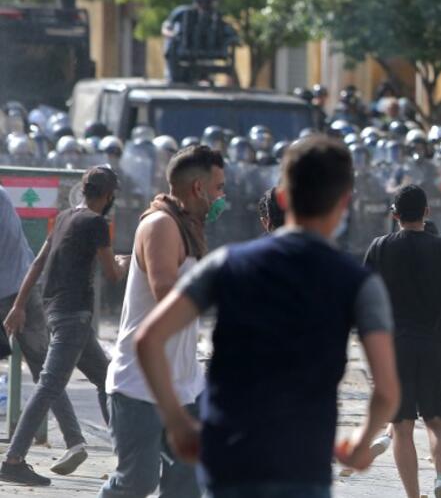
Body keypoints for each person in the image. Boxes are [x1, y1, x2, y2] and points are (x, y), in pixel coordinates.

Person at [133, 137, 399, 497]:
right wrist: (361, 443)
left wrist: (178, 425)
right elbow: (386, 391)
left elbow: (148, 339)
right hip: (303, 467)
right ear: (345, 203)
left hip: (228, 461)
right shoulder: (359, 283)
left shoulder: (226, 264)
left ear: (284, 197)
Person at [101, 144, 226, 498]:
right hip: (140, 384)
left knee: (187, 487)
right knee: (137, 482)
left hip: (187, 385)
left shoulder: (186, 226)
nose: (222, 197)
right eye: (218, 187)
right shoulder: (160, 225)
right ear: (199, 188)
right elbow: (167, 294)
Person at [1, 167, 125, 486]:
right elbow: (112, 272)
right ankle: (14, 459)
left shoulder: (65, 217)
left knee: (105, 377)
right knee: (49, 385)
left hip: (56, 309)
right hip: (75, 315)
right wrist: (130, 260)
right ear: (109, 195)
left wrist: (18, 306)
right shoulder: (96, 223)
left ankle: (126, 456)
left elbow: (38, 263)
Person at [364, 185, 441, 498]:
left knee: (402, 426)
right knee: (438, 420)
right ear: (427, 212)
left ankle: (413, 495)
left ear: (395, 215)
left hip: (394, 346)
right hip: (435, 343)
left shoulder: (379, 247)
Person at [161, 0, 239, 84]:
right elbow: (167, 27)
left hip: (210, 51)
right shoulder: (182, 13)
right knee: (170, 43)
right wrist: (171, 35)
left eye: (208, 2)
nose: (205, 5)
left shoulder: (216, 17)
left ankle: (203, 75)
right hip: (183, 49)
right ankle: (174, 75)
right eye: (203, 2)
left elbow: (231, 34)